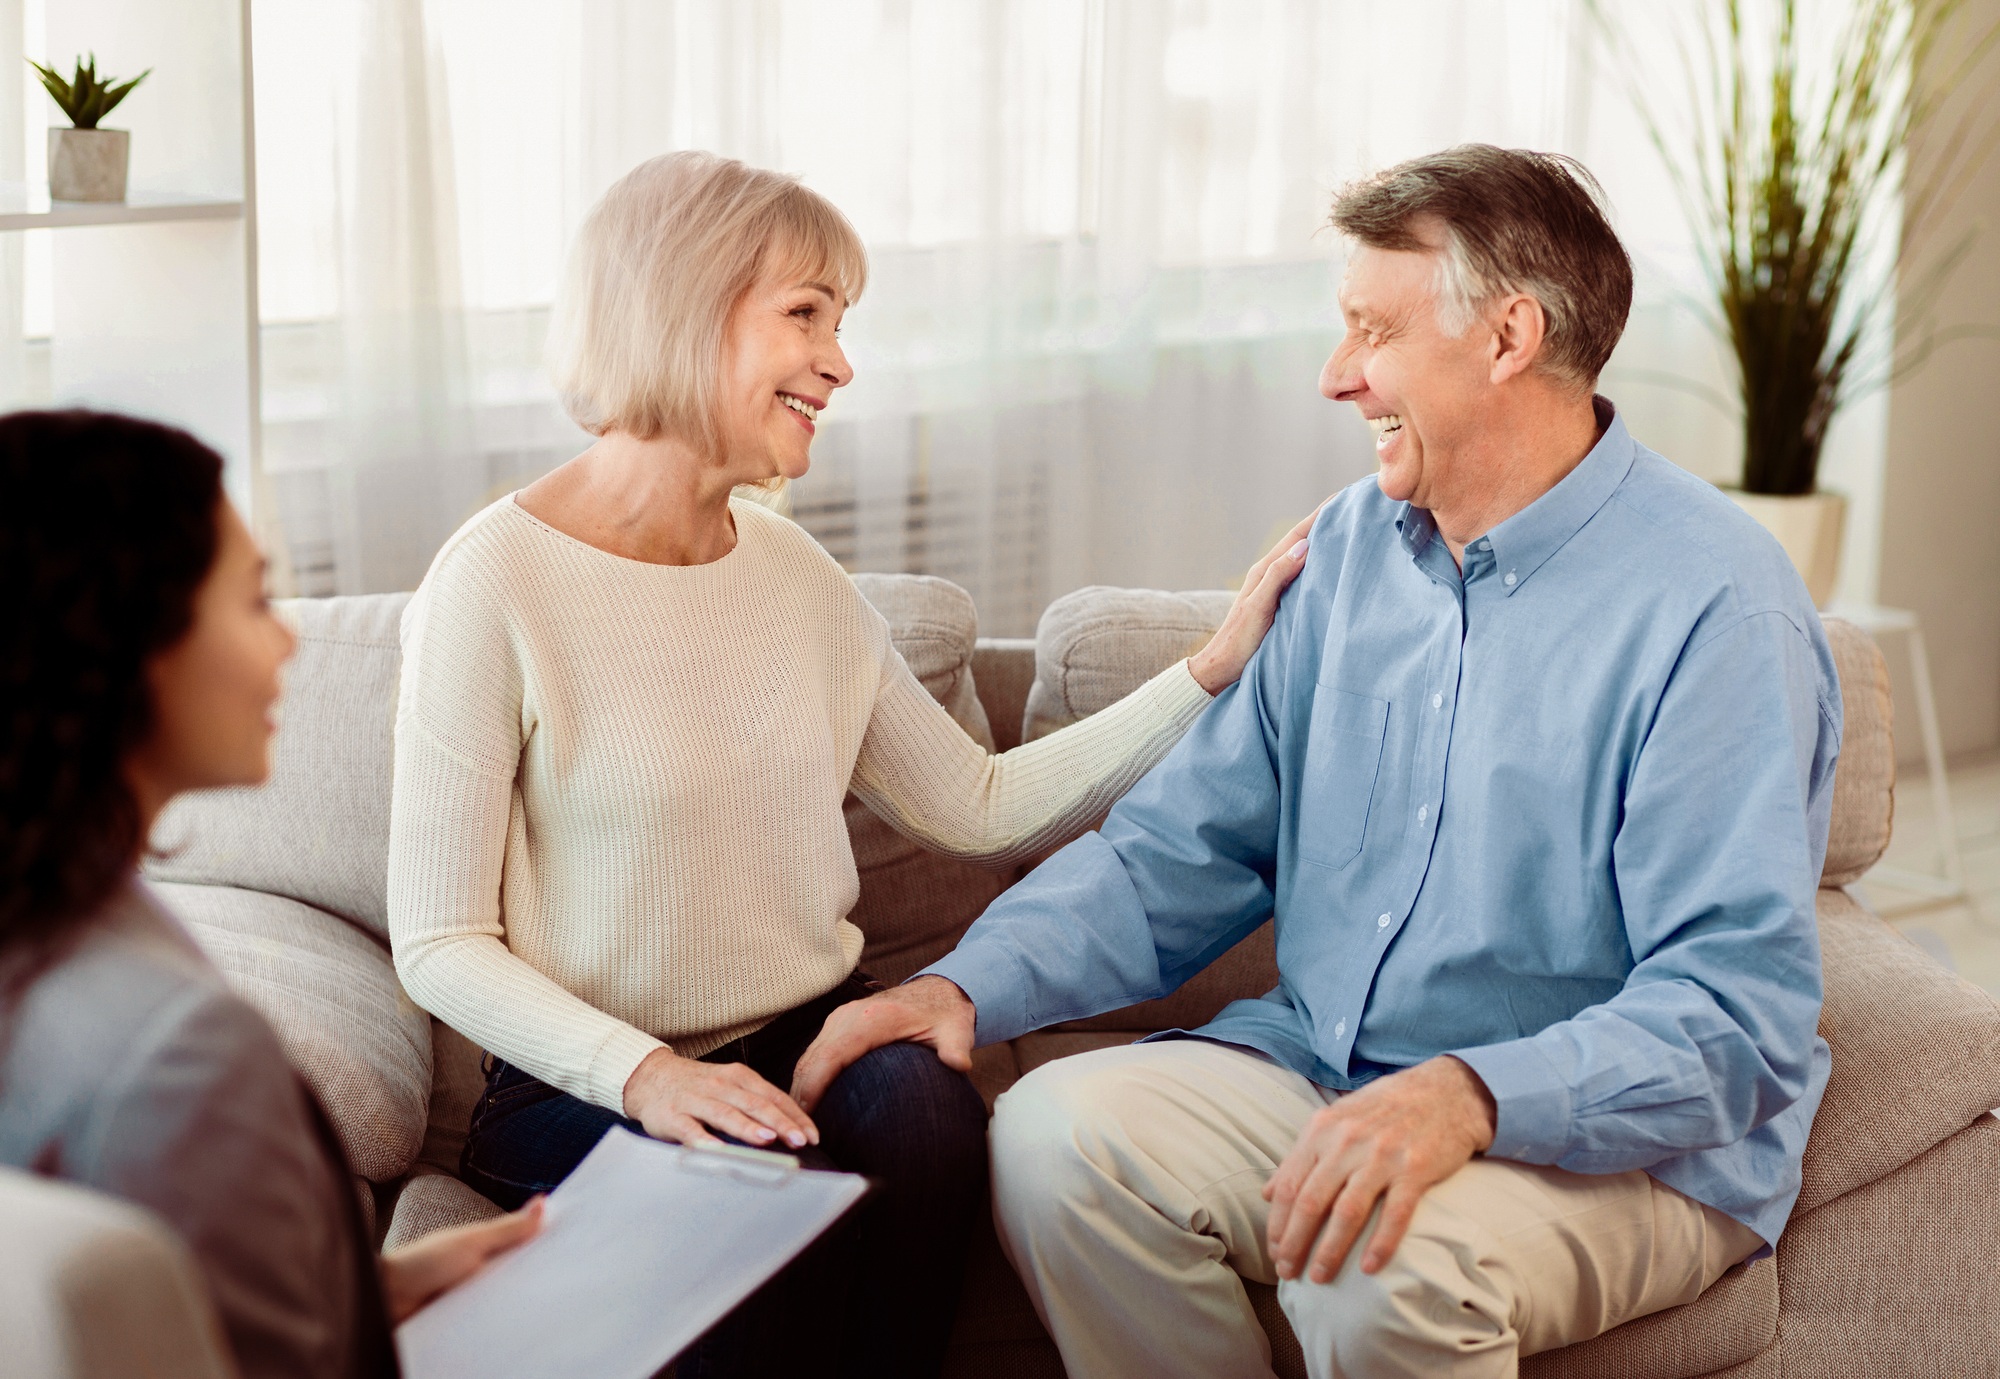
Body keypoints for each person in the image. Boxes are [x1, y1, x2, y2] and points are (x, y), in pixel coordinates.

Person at [793, 144, 1839, 1379]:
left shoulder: (1714, 606)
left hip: (1608, 1145)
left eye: (1370, 331)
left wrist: (1470, 1094)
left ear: (1507, 336)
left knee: (1370, 1264)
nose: (1336, 377)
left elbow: (1734, 1016)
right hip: (1330, 1069)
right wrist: (966, 987)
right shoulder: (1348, 553)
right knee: (1052, 1140)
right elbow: (1179, 852)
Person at [386, 150, 1309, 1379]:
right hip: (588, 1079)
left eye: (841, 321)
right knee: (751, 1188)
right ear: (684, 305)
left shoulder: (795, 579)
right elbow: (439, 938)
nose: (839, 363)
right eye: (805, 315)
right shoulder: (493, 581)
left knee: (928, 1113)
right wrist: (647, 1074)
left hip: (801, 1027)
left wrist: (1205, 668)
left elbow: (976, 805)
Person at [0, 410, 545, 1379]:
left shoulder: (55, 914)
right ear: (135, 642)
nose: (287, 642)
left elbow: (166, 1321)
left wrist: (384, 1289)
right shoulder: (177, 1060)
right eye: (254, 599)